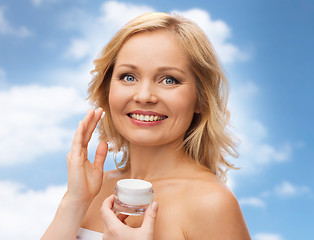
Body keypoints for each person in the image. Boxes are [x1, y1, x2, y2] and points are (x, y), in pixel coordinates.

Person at [41, 12, 251, 240]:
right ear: (107, 88)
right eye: (129, 77)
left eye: (169, 80)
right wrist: (74, 201)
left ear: (201, 99)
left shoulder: (211, 203)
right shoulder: (92, 189)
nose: (144, 96)